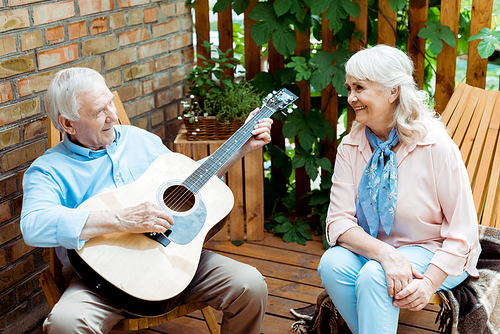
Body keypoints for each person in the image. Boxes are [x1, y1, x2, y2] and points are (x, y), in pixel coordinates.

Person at [20, 67, 272, 334]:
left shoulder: (139, 140)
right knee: (65, 324)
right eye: (99, 112)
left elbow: (186, 183)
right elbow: (34, 226)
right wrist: (120, 219)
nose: (113, 116)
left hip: (173, 261)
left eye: (111, 103)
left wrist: (239, 147)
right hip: (98, 280)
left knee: (250, 284)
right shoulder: (48, 170)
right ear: (68, 123)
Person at [316, 45, 481, 334]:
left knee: (374, 277)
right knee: (332, 263)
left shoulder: (435, 145)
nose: (351, 97)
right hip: (377, 250)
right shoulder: (351, 145)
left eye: (360, 87)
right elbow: (338, 221)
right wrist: (386, 254)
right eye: (349, 88)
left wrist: (429, 281)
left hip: (432, 249)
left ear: (392, 91)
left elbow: (463, 232)